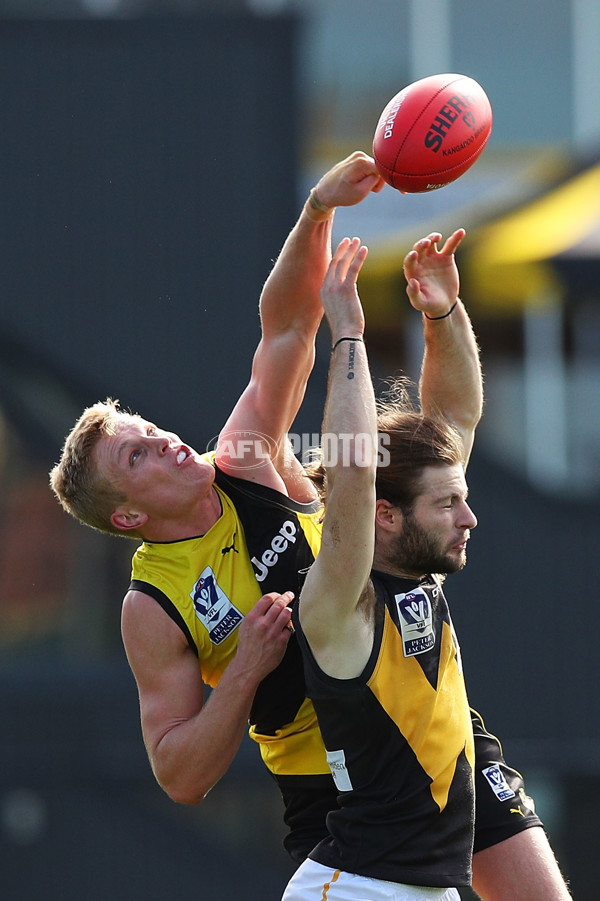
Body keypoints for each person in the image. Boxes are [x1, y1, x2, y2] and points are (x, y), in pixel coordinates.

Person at [49, 153, 570, 900]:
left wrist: (318, 211)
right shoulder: (153, 602)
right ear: (128, 514)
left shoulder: (247, 458)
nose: (166, 439)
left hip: (427, 721)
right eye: (139, 453)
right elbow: (180, 773)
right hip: (337, 784)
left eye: (151, 426)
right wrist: (248, 669)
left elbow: (288, 327)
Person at [282, 235, 474, 900]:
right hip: (360, 887)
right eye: (449, 504)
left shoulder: (422, 562)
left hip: (423, 887)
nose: (468, 516)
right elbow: (355, 470)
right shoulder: (342, 601)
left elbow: (457, 415)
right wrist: (349, 331)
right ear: (385, 514)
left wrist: (443, 312)